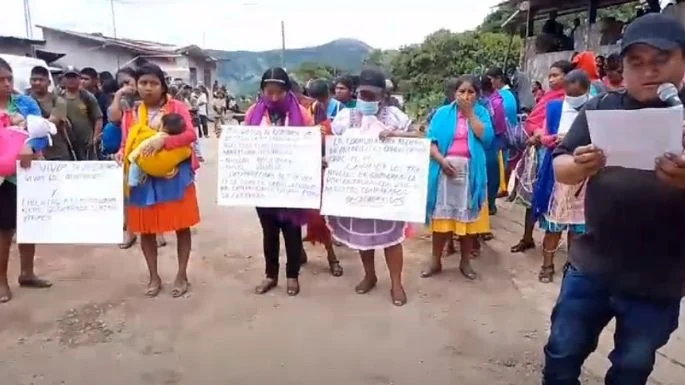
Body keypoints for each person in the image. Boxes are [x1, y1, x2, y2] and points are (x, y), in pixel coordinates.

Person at [542, 14, 685, 384]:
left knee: (633, 366)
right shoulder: (601, 108)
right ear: (622, 67)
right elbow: (561, 166)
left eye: (661, 60)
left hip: (660, 277)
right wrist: (580, 165)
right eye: (636, 63)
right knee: (562, 350)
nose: (648, 72)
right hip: (592, 263)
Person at [327, 68, 419, 306]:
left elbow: (420, 137)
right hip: (358, 189)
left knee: (392, 239)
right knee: (363, 238)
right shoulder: (346, 118)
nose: (367, 100)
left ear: (383, 95)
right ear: (357, 93)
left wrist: (398, 134)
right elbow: (335, 146)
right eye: (363, 95)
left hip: (386, 189)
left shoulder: (395, 117)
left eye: (372, 95)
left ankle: (396, 283)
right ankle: (369, 275)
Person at [116, 63, 200, 298]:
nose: (148, 88)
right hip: (143, 177)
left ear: (163, 86)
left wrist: (163, 141)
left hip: (176, 175)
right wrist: (122, 152)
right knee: (145, 229)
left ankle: (182, 274)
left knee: (182, 226)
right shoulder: (132, 113)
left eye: (154, 83)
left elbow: (191, 135)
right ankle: (154, 276)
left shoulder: (177, 107)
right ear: (136, 86)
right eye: (143, 83)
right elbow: (126, 142)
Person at [245, 67, 313, 296]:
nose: (273, 97)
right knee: (269, 231)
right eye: (269, 92)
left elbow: (311, 144)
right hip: (264, 184)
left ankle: (292, 276)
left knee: (292, 231)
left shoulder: (302, 114)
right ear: (262, 90)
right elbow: (245, 143)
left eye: (279, 93)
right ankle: (270, 275)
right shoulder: (253, 112)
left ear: (288, 91)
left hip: (292, 184)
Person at [421, 75, 494, 281]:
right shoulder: (442, 113)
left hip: (471, 173)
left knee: (468, 222)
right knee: (441, 220)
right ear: (454, 93)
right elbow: (431, 142)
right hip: (444, 171)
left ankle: (465, 262)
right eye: (462, 91)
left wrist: (469, 113)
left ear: (477, 95)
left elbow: (486, 138)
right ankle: (435, 261)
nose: (466, 95)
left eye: (471, 92)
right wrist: (442, 161)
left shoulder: (481, 112)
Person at [0, 58, 52, 304]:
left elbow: (41, 133)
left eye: (9, 79)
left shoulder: (25, 103)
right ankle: (1, 281)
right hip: (3, 179)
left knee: (29, 222)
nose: (7, 84)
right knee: (4, 230)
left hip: (27, 174)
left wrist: (30, 146)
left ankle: (27, 272)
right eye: (1, 80)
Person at [531, 69, 590, 284]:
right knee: (553, 226)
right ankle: (547, 265)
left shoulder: (594, 108)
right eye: (570, 95)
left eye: (578, 95)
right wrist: (555, 139)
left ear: (587, 91)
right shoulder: (555, 108)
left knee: (577, 228)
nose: (574, 100)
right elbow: (544, 137)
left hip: (584, 178)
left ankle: (572, 266)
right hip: (557, 176)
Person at [127, 112, 191, 187]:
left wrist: (132, 156)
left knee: (135, 165)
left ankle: (133, 181)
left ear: (164, 128)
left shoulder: (159, 136)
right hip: (167, 173)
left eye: (160, 125)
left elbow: (144, 145)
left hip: (146, 162)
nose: (158, 127)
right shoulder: (179, 144)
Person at [27, 66, 72, 161]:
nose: (37, 83)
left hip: (57, 154)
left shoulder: (58, 101)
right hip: (32, 154)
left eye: (41, 80)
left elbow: (52, 123)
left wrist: (28, 123)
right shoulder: (24, 101)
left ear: (49, 82)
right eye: (34, 80)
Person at [61, 67, 103, 160]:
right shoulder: (58, 97)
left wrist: (95, 138)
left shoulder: (87, 96)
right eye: (68, 77)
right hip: (68, 143)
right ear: (63, 79)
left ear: (79, 79)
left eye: (74, 77)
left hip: (87, 143)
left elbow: (98, 118)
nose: (71, 80)